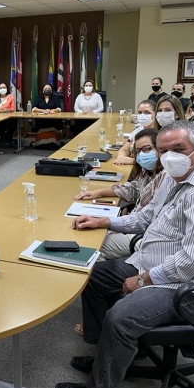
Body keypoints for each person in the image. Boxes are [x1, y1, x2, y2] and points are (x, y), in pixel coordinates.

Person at [56, 120, 194, 388]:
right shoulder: (172, 176)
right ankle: (109, 357)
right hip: (158, 264)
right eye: (163, 151)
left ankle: (99, 384)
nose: (169, 157)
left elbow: (192, 262)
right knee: (92, 277)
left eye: (178, 149)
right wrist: (106, 222)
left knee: (121, 316)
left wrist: (144, 280)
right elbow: (146, 216)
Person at [72, 129, 166, 337]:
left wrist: (104, 223)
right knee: (98, 237)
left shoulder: (166, 177)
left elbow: (145, 219)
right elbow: (130, 190)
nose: (143, 155)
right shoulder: (150, 173)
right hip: (139, 227)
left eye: (148, 149)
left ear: (160, 150)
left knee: (96, 247)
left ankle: (107, 318)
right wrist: (96, 193)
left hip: (147, 237)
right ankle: (108, 313)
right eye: (139, 151)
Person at [112, 100, 155, 165]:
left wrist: (132, 161)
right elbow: (124, 149)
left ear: (155, 113)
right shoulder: (138, 130)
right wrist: (121, 157)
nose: (142, 115)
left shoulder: (159, 133)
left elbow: (152, 160)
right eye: (140, 112)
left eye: (147, 112)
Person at [31, 84, 63, 149]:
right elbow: (33, 108)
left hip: (53, 120)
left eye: (49, 89)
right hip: (41, 120)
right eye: (46, 88)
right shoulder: (39, 97)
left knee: (52, 125)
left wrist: (53, 110)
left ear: (51, 91)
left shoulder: (55, 98)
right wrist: (43, 111)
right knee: (42, 125)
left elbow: (59, 108)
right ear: (43, 90)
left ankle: (54, 143)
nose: (47, 90)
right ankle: (41, 143)